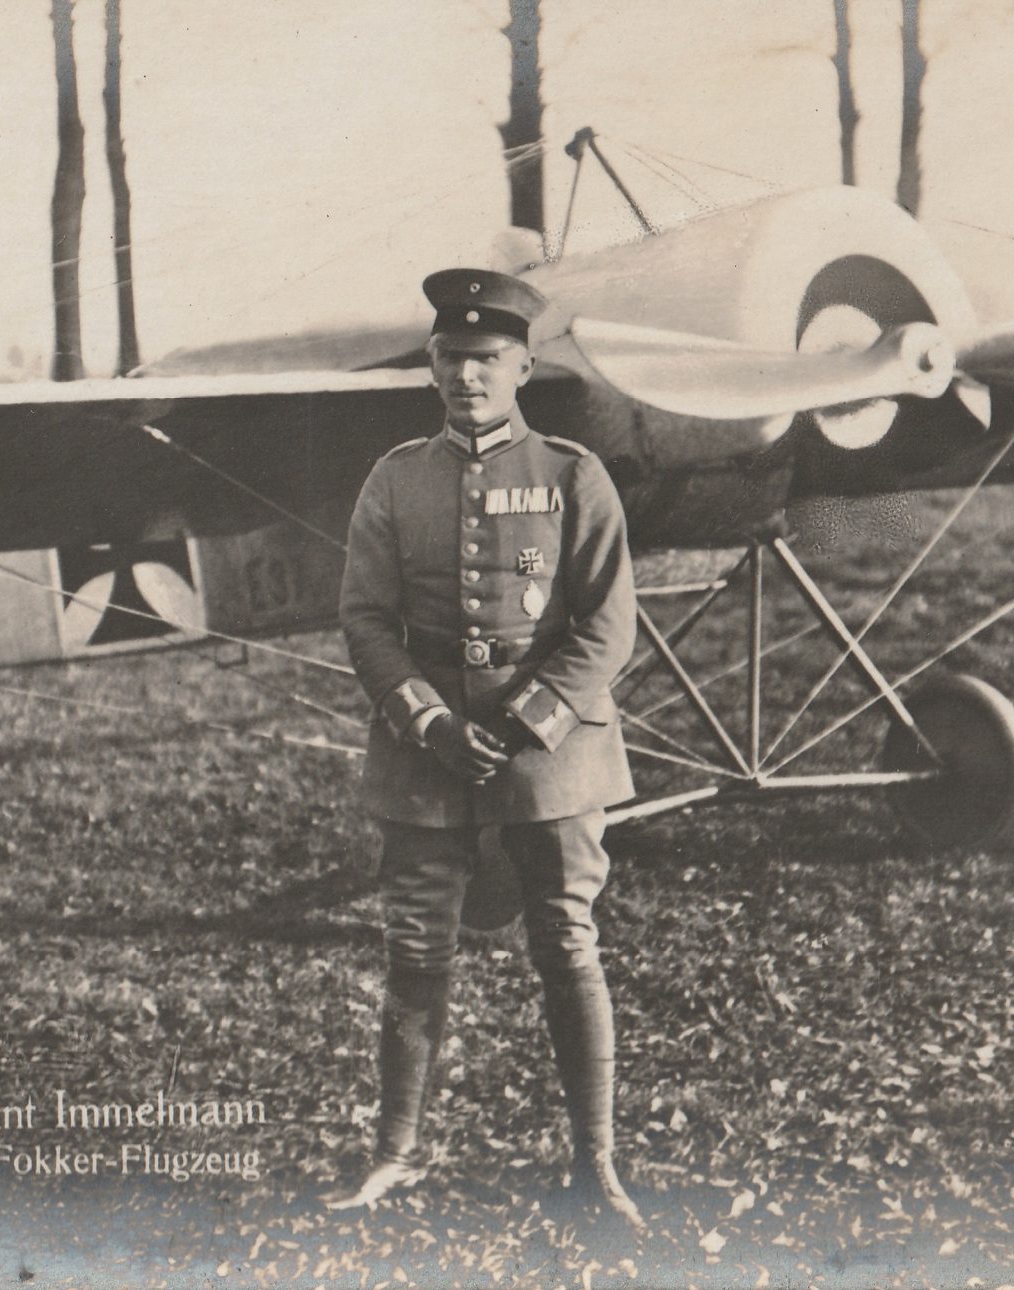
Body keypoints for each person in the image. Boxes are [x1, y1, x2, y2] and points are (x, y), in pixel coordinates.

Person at [326, 267, 643, 1233]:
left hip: (551, 753)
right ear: (432, 367)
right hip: (427, 754)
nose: (469, 378)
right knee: (416, 947)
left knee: (567, 943)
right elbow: (366, 618)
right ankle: (395, 1156)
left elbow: (609, 622)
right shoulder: (395, 478)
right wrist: (426, 719)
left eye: (488, 361)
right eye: (453, 359)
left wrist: (524, 721)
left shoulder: (572, 475)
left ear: (523, 368)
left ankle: (597, 1163)